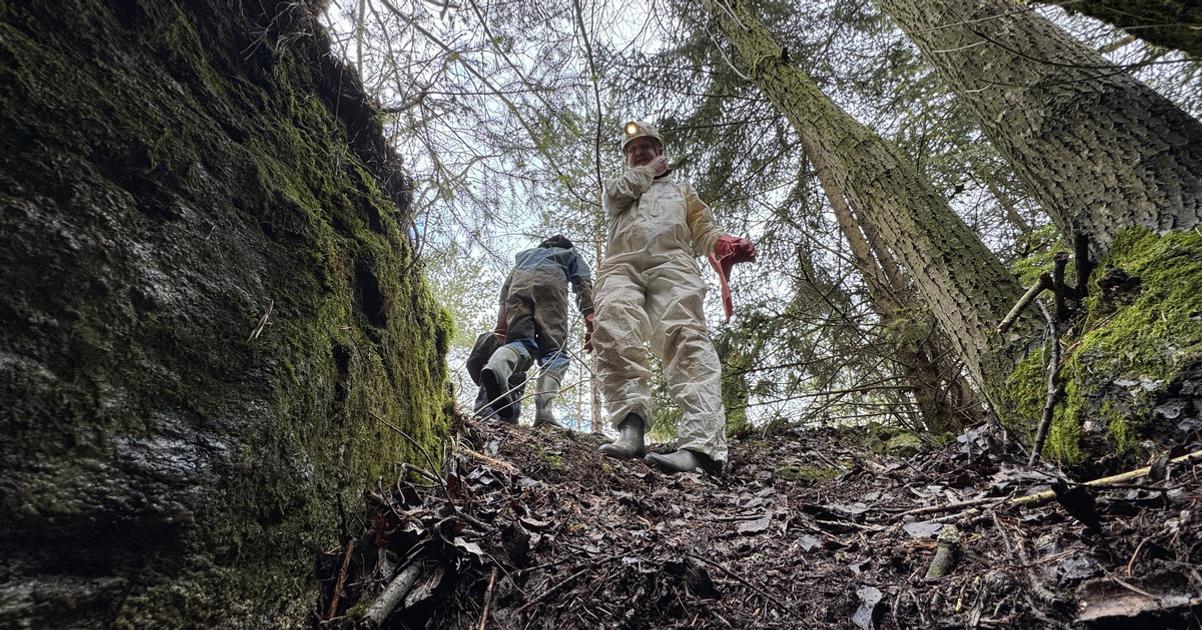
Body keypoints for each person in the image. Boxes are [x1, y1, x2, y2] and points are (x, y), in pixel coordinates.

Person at [591, 120, 756, 474]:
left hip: (673, 264)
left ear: (660, 150)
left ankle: (701, 448)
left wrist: (722, 243)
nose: (638, 152)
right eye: (632, 149)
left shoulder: (682, 191)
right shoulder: (622, 185)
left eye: (646, 147)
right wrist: (647, 172)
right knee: (614, 326)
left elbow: (703, 228)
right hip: (621, 265)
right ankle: (630, 430)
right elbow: (615, 195)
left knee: (687, 336)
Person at [480, 235, 595, 427]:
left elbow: (505, 292)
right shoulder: (569, 254)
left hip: (519, 289)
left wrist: (501, 326)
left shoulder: (525, 256)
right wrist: (591, 320)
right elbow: (582, 284)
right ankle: (544, 412)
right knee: (554, 353)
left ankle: (498, 366)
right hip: (551, 287)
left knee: (520, 344)